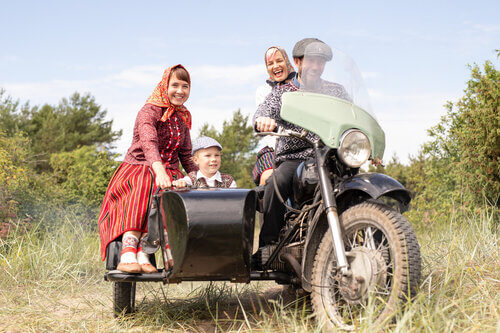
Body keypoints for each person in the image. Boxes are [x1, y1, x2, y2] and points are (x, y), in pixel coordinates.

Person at [98, 64, 197, 274]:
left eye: (185, 86)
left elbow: (187, 155)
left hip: (169, 172)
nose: (180, 91)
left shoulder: (182, 119)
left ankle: (157, 252)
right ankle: (128, 250)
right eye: (175, 85)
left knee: (180, 194)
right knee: (146, 185)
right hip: (140, 166)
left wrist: (196, 176)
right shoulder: (149, 111)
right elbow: (148, 142)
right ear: (165, 86)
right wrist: (159, 170)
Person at [253, 38, 350, 248]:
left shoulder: (337, 91)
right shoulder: (282, 92)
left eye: (321, 62)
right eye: (311, 61)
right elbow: (263, 111)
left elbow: (353, 118)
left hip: (329, 155)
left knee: (355, 183)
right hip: (294, 157)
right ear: (297, 62)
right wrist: (263, 120)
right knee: (275, 182)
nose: (316, 66)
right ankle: (267, 245)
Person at [253, 46, 296, 186]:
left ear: (288, 62)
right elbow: (262, 113)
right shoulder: (264, 91)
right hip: (275, 145)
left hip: (303, 144)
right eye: (270, 64)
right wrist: (263, 122)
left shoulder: (301, 85)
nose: (275, 66)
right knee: (268, 177)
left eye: (279, 61)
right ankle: (267, 207)